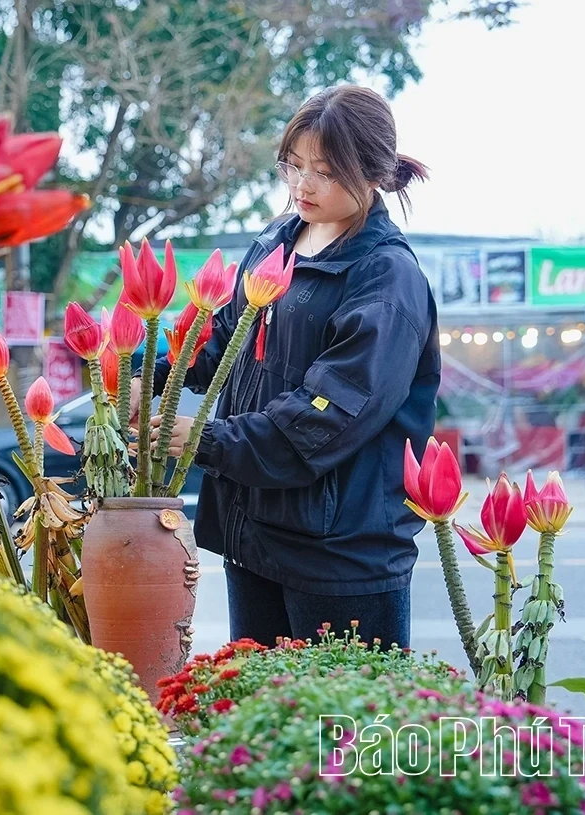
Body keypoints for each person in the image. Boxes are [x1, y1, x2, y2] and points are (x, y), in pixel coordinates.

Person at [132, 85, 440, 649]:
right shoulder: (279, 239)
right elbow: (224, 337)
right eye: (293, 166)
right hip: (254, 532)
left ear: (371, 172)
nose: (302, 186)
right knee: (264, 717)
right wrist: (146, 372)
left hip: (340, 552)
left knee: (342, 729)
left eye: (323, 172)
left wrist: (203, 438)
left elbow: (332, 413)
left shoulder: (386, 277)